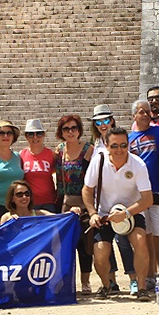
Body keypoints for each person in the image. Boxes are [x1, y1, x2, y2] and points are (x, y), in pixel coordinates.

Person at [83, 127, 153, 299]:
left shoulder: (138, 164)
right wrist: (92, 213)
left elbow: (147, 199)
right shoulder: (98, 161)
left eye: (123, 145)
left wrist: (127, 213)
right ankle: (106, 285)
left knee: (140, 242)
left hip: (131, 212)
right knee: (100, 252)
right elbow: (87, 190)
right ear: (106, 145)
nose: (119, 150)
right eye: (114, 146)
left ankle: (142, 287)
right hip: (105, 213)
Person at [129, 99, 159, 288]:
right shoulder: (128, 139)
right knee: (145, 236)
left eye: (147, 111)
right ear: (133, 116)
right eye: (140, 111)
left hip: (158, 188)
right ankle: (149, 274)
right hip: (138, 194)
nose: (145, 114)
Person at [55, 114, 94, 293]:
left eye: (74, 128)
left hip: (83, 200)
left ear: (79, 130)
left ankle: (85, 282)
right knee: (66, 244)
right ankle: (67, 280)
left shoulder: (88, 149)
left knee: (85, 243)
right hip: (64, 202)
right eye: (66, 129)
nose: (70, 132)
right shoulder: (59, 151)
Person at [20, 119, 58, 211]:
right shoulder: (21, 155)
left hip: (49, 202)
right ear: (26, 136)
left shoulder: (51, 154)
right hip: (29, 203)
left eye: (39, 133)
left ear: (44, 135)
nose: (35, 137)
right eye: (31, 134)